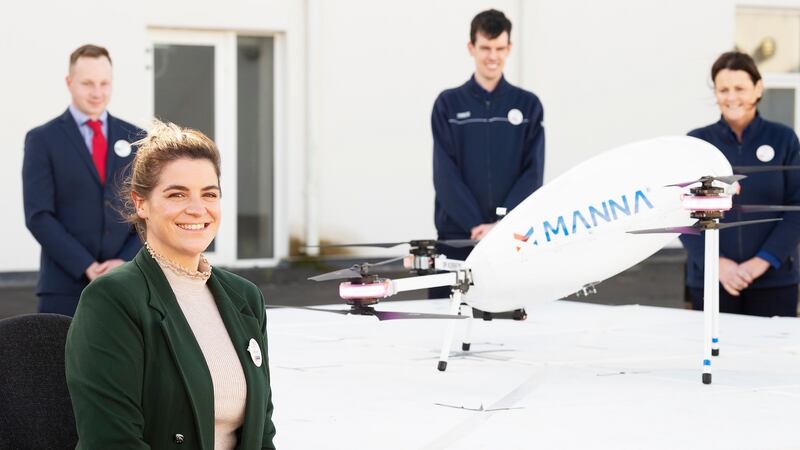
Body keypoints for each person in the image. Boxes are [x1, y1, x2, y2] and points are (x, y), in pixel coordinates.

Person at [65, 121, 277, 449]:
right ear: (141, 203)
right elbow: (110, 441)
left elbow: (262, 433)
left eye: (209, 194)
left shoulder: (245, 298)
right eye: (177, 194)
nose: (197, 209)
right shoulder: (112, 299)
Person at [430, 9, 545, 320]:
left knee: (504, 326)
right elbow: (445, 174)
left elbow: (533, 173)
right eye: (485, 48)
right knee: (449, 322)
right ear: (472, 48)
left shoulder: (528, 106)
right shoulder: (448, 105)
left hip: (510, 239)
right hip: (458, 237)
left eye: (499, 48)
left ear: (508, 48)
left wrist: (502, 225)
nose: (492, 57)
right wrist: (474, 225)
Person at [22, 44, 143, 316]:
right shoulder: (42, 140)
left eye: (104, 83)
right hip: (64, 286)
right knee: (58, 358)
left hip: (126, 282)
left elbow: (147, 210)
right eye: (88, 83)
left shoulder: (136, 137)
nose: (97, 92)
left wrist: (124, 261)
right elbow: (38, 215)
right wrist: (87, 265)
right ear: (69, 82)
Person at [681, 51, 800, 317]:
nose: (731, 97)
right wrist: (717, 264)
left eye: (740, 88)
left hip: (774, 280)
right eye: (724, 89)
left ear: (758, 88)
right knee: (715, 357)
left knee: (770, 357)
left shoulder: (784, 139)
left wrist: (762, 262)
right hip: (711, 280)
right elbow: (681, 212)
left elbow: (796, 207)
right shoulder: (697, 143)